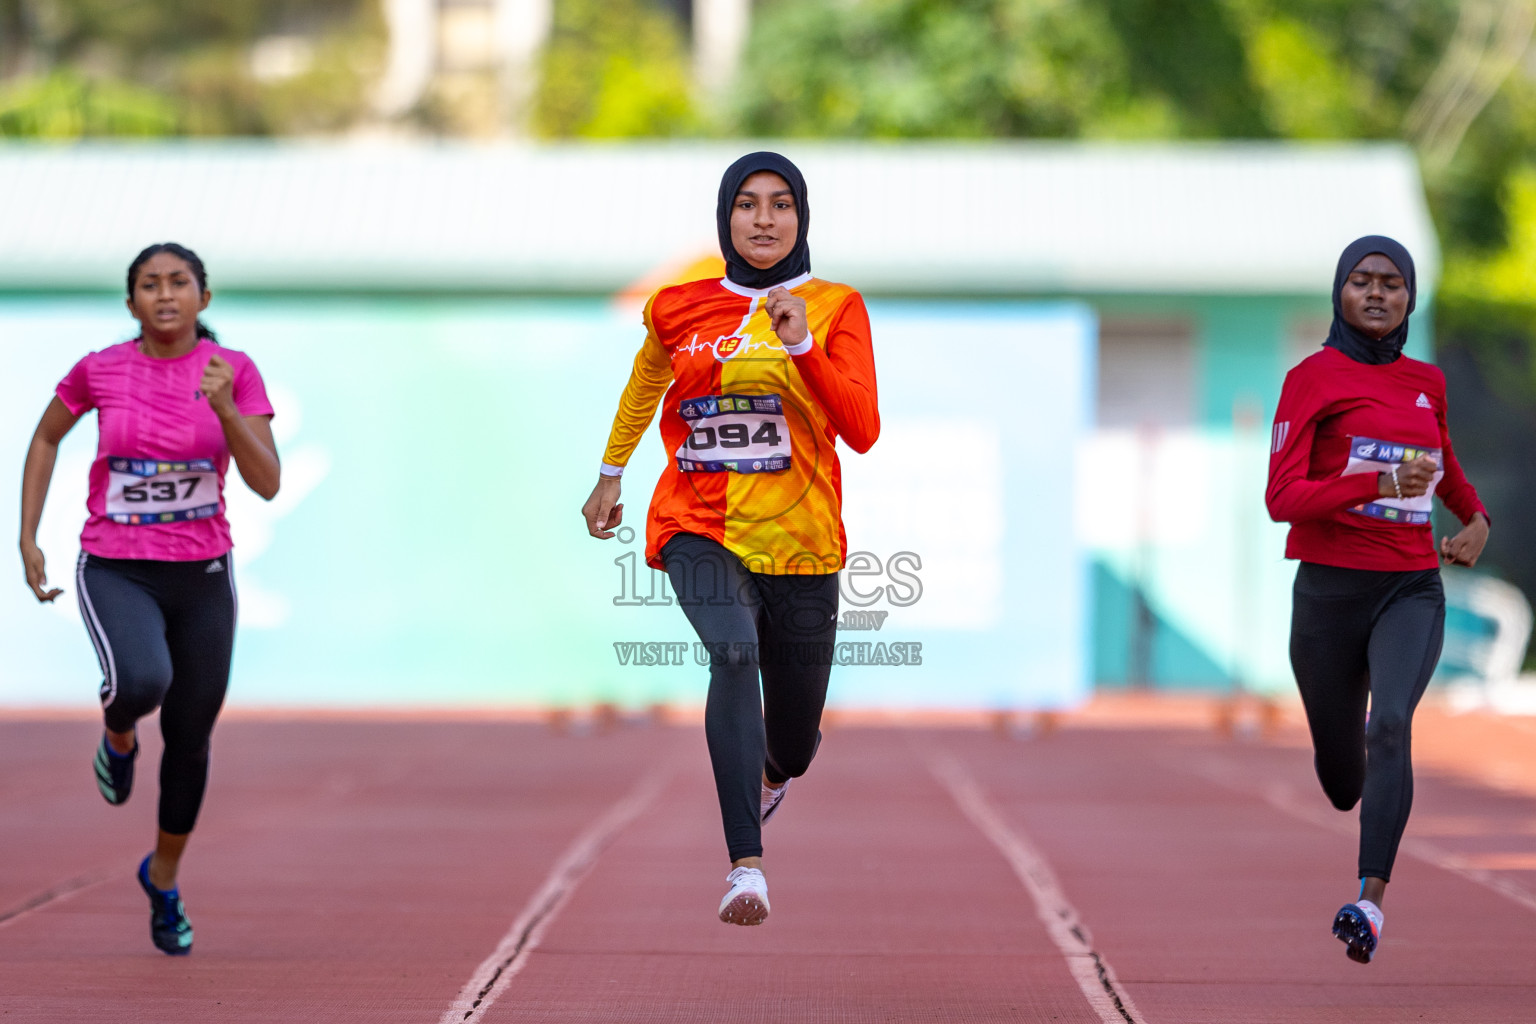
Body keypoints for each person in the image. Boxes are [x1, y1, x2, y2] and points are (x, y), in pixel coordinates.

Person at [581, 152, 879, 925]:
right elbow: (646, 384)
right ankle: (746, 868)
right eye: (748, 205)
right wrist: (612, 473)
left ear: (801, 219)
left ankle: (773, 772)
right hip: (697, 525)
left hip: (804, 543)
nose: (764, 220)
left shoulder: (836, 306)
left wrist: (803, 346)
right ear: (727, 217)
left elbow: (864, 430)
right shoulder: (678, 307)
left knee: (798, 745)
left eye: (781, 206)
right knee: (733, 650)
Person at [18, 242, 280, 955]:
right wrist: (28, 534)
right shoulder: (100, 370)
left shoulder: (235, 373)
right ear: (131, 302)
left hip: (201, 576)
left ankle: (162, 879)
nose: (165, 295)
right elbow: (46, 437)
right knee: (141, 681)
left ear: (204, 296)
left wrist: (225, 409)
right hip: (116, 566)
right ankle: (119, 731)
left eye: (179, 283)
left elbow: (266, 482)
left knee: (192, 736)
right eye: (149, 285)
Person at [1266, 235, 1489, 964]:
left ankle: (1369, 903)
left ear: (1409, 298)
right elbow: (1282, 499)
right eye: (1361, 280)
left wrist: (1477, 518)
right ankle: (1350, 769)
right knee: (1342, 780)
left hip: (1409, 587)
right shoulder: (1312, 379)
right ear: (1339, 292)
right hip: (1329, 596)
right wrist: (1373, 484)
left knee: (1390, 724)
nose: (1375, 293)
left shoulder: (1427, 380)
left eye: (1391, 283)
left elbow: (1442, 461)